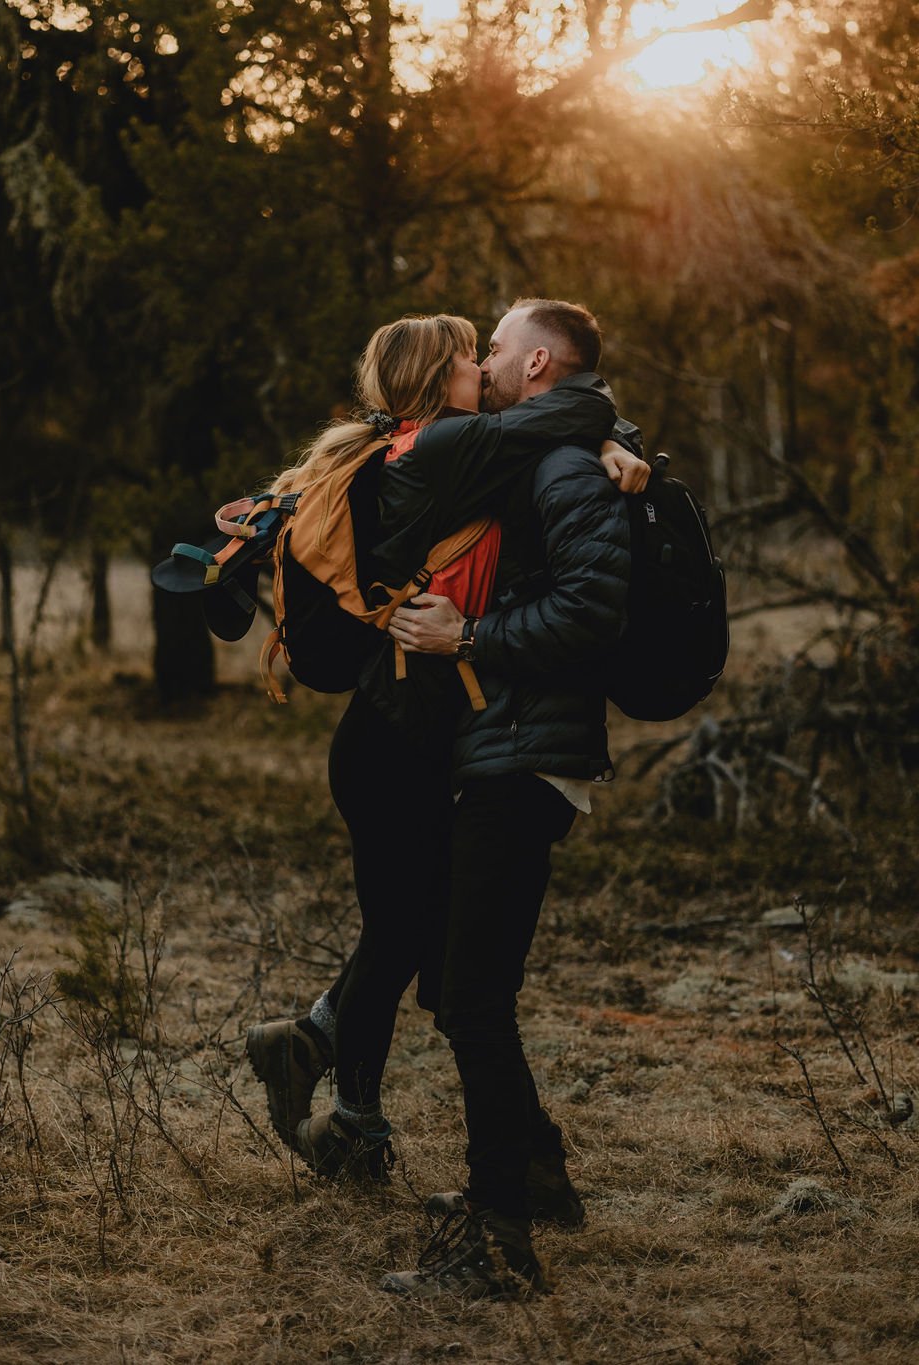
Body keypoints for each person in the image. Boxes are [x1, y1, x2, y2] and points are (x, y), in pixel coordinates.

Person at [246, 305, 643, 1293]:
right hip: (416, 744)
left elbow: (585, 583)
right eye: (473, 354)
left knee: (453, 977)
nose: (485, 362)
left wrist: (618, 450)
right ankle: (462, 1161)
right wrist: (608, 439)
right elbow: (566, 423)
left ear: (534, 363)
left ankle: (473, 1186)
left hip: (496, 750)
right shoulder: (444, 451)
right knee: (440, 963)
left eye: (493, 348)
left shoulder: (506, 456)